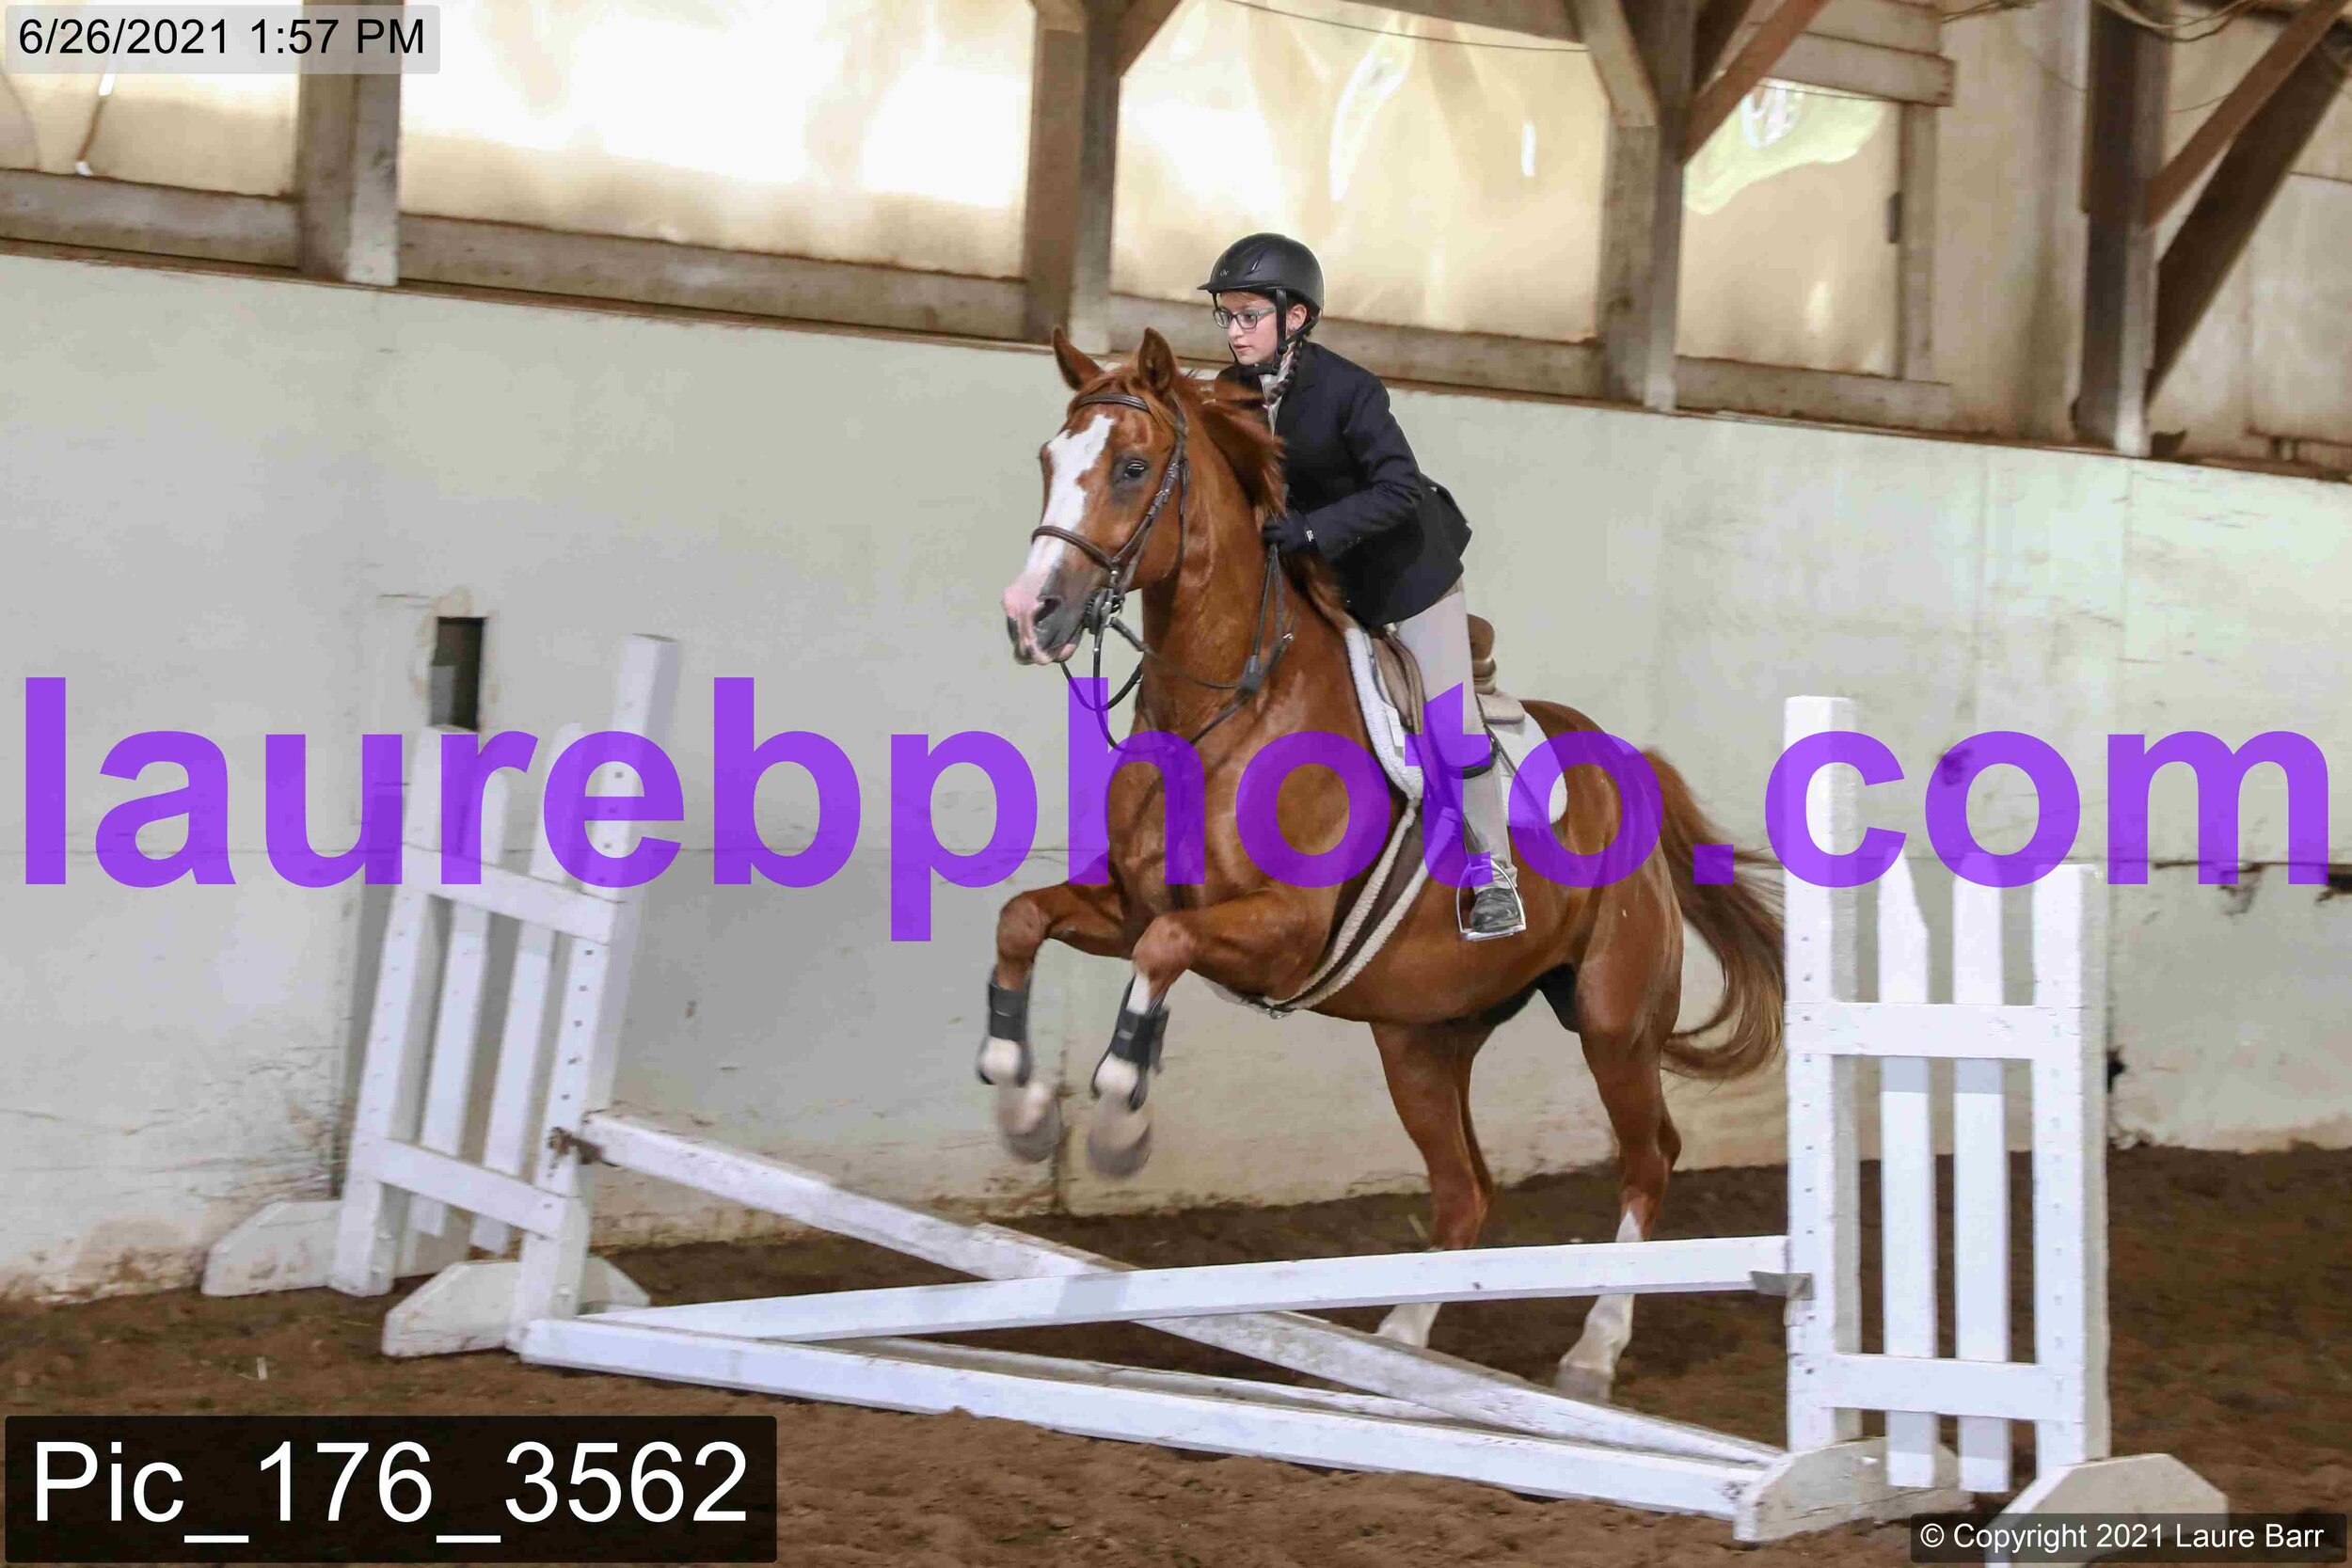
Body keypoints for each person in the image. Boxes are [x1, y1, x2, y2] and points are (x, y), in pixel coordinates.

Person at [1201, 232, 1524, 941]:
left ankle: (1494, 874)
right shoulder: (1229, 392)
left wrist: (1314, 529)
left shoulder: (1349, 389)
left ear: (1295, 317)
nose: (1234, 331)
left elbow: (1399, 488)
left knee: (1448, 722)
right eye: (1227, 316)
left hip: (1406, 579)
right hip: (1321, 586)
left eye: (1249, 315)